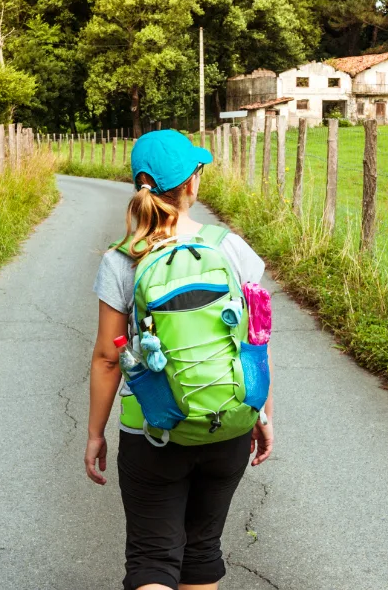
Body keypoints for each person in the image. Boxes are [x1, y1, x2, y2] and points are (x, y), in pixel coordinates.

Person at [85, 130, 274, 590]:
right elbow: (256, 340)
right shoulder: (231, 249)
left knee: (153, 558)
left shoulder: (122, 260)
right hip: (227, 420)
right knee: (202, 553)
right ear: (192, 184)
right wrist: (261, 411)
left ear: (141, 185)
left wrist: (95, 434)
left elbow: (109, 359)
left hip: (153, 430)